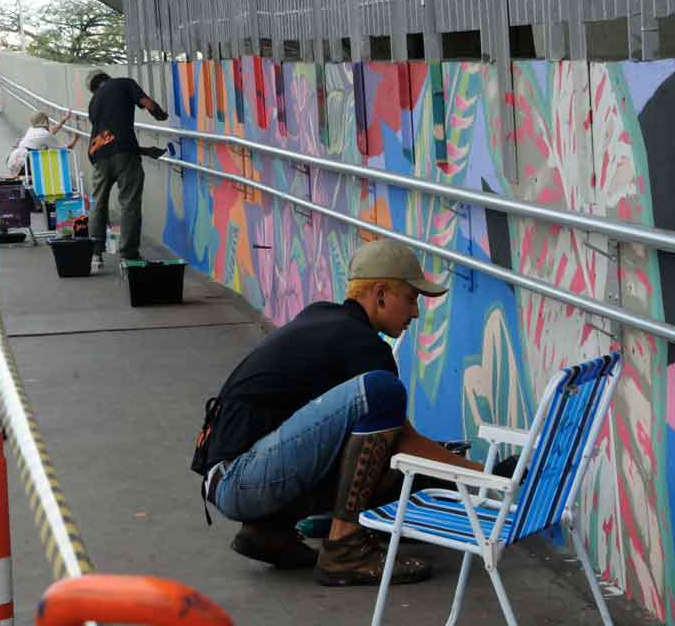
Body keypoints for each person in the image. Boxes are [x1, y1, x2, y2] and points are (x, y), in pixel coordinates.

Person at [194, 239, 495, 586]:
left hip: (229, 478)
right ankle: (345, 548)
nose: (415, 312)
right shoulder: (364, 345)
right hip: (242, 479)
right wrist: (482, 475)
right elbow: (403, 440)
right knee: (383, 393)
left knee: (370, 448)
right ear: (380, 294)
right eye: (411, 299)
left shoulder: (324, 318)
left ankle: (268, 531)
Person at [86, 70, 167, 265]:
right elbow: (147, 103)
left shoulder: (93, 102)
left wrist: (145, 151)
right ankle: (128, 254)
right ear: (107, 77)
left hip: (97, 155)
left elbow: (109, 139)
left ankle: (96, 253)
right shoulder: (124, 83)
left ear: (94, 88)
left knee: (99, 202)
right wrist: (161, 115)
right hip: (125, 155)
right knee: (129, 202)